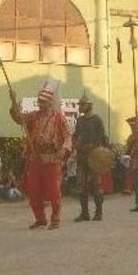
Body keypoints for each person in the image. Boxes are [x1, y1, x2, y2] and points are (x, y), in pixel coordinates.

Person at [9, 79, 71, 230]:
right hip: (35, 158)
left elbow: (68, 136)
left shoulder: (58, 117)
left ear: (50, 103)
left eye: (43, 102)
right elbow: (19, 119)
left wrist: (64, 148)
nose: (40, 104)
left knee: (54, 190)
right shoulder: (33, 116)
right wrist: (12, 101)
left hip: (52, 158)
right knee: (33, 189)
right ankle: (40, 218)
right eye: (39, 102)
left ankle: (55, 217)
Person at [72, 93, 108, 221]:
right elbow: (76, 136)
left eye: (83, 104)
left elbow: (103, 138)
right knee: (81, 186)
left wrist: (102, 151)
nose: (81, 107)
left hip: (95, 155)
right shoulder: (80, 120)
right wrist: (75, 146)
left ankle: (98, 212)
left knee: (96, 185)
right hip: (82, 156)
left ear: (89, 105)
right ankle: (85, 213)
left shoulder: (97, 119)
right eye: (80, 105)